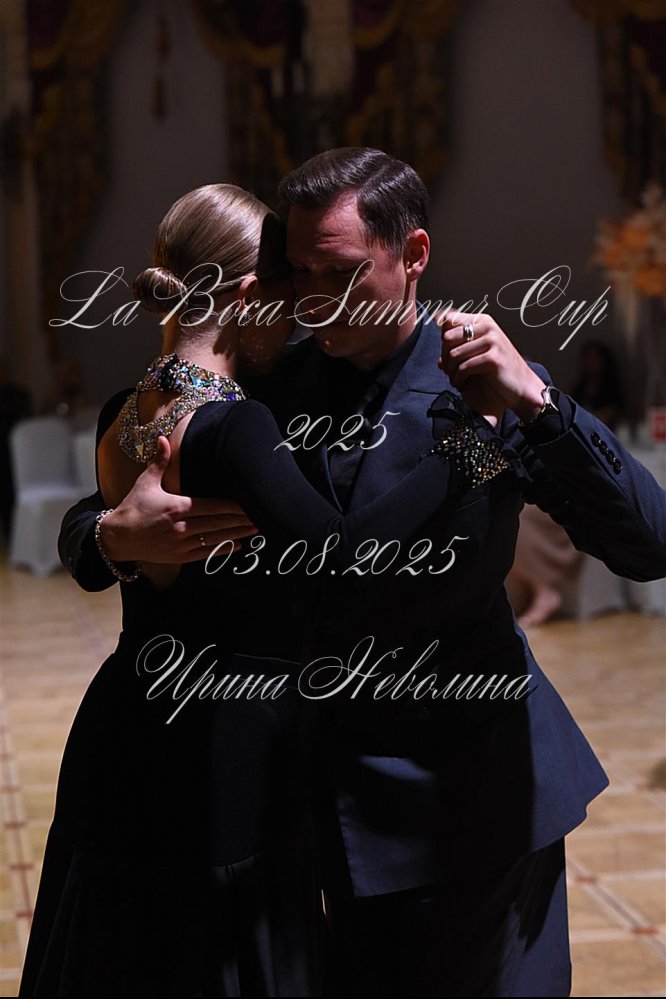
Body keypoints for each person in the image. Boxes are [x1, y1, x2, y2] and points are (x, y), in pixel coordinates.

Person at [56, 150, 666, 997]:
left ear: (413, 254)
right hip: (316, 821)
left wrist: (538, 401)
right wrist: (111, 538)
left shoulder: (483, 382)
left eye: (339, 273)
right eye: (300, 273)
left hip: (474, 805)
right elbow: (108, 506)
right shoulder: (268, 386)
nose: (314, 300)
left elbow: (649, 542)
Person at [19, 181, 516, 998]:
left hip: (123, 721)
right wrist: (476, 442)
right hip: (220, 752)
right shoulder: (237, 423)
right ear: (250, 294)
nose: (305, 314)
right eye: (291, 291)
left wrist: (107, 534)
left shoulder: (121, 410)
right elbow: (346, 555)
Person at [508, 341, 627, 627]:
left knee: (524, 516)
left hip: (581, 476)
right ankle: (535, 589)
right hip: (557, 473)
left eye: (594, 358)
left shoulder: (608, 396)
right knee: (510, 513)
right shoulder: (577, 389)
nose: (590, 363)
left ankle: (543, 590)